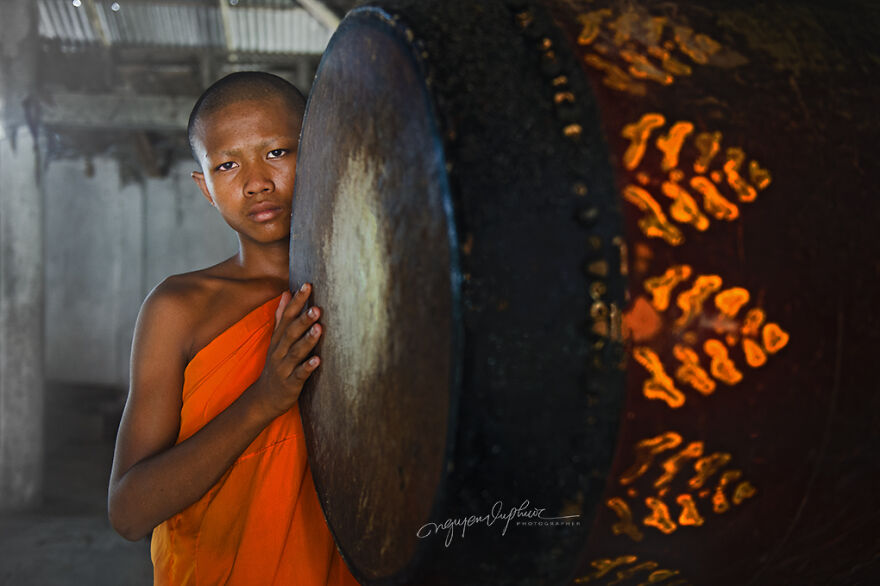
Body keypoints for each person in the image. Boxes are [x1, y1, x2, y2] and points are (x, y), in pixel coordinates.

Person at [108, 71, 360, 586]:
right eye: (227, 164)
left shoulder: (370, 296)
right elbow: (129, 512)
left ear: (317, 152)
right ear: (205, 187)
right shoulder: (179, 309)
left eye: (277, 153)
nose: (256, 182)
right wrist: (265, 399)